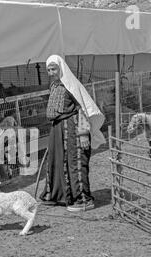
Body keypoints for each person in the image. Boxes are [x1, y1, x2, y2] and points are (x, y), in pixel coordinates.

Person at [40, 55, 105, 212]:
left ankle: (82, 199)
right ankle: (56, 195)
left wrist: (83, 134)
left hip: (73, 129)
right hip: (58, 130)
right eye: (48, 70)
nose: (51, 72)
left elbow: (82, 109)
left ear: (61, 68)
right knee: (55, 162)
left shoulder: (71, 86)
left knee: (75, 163)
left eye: (53, 69)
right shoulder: (55, 86)